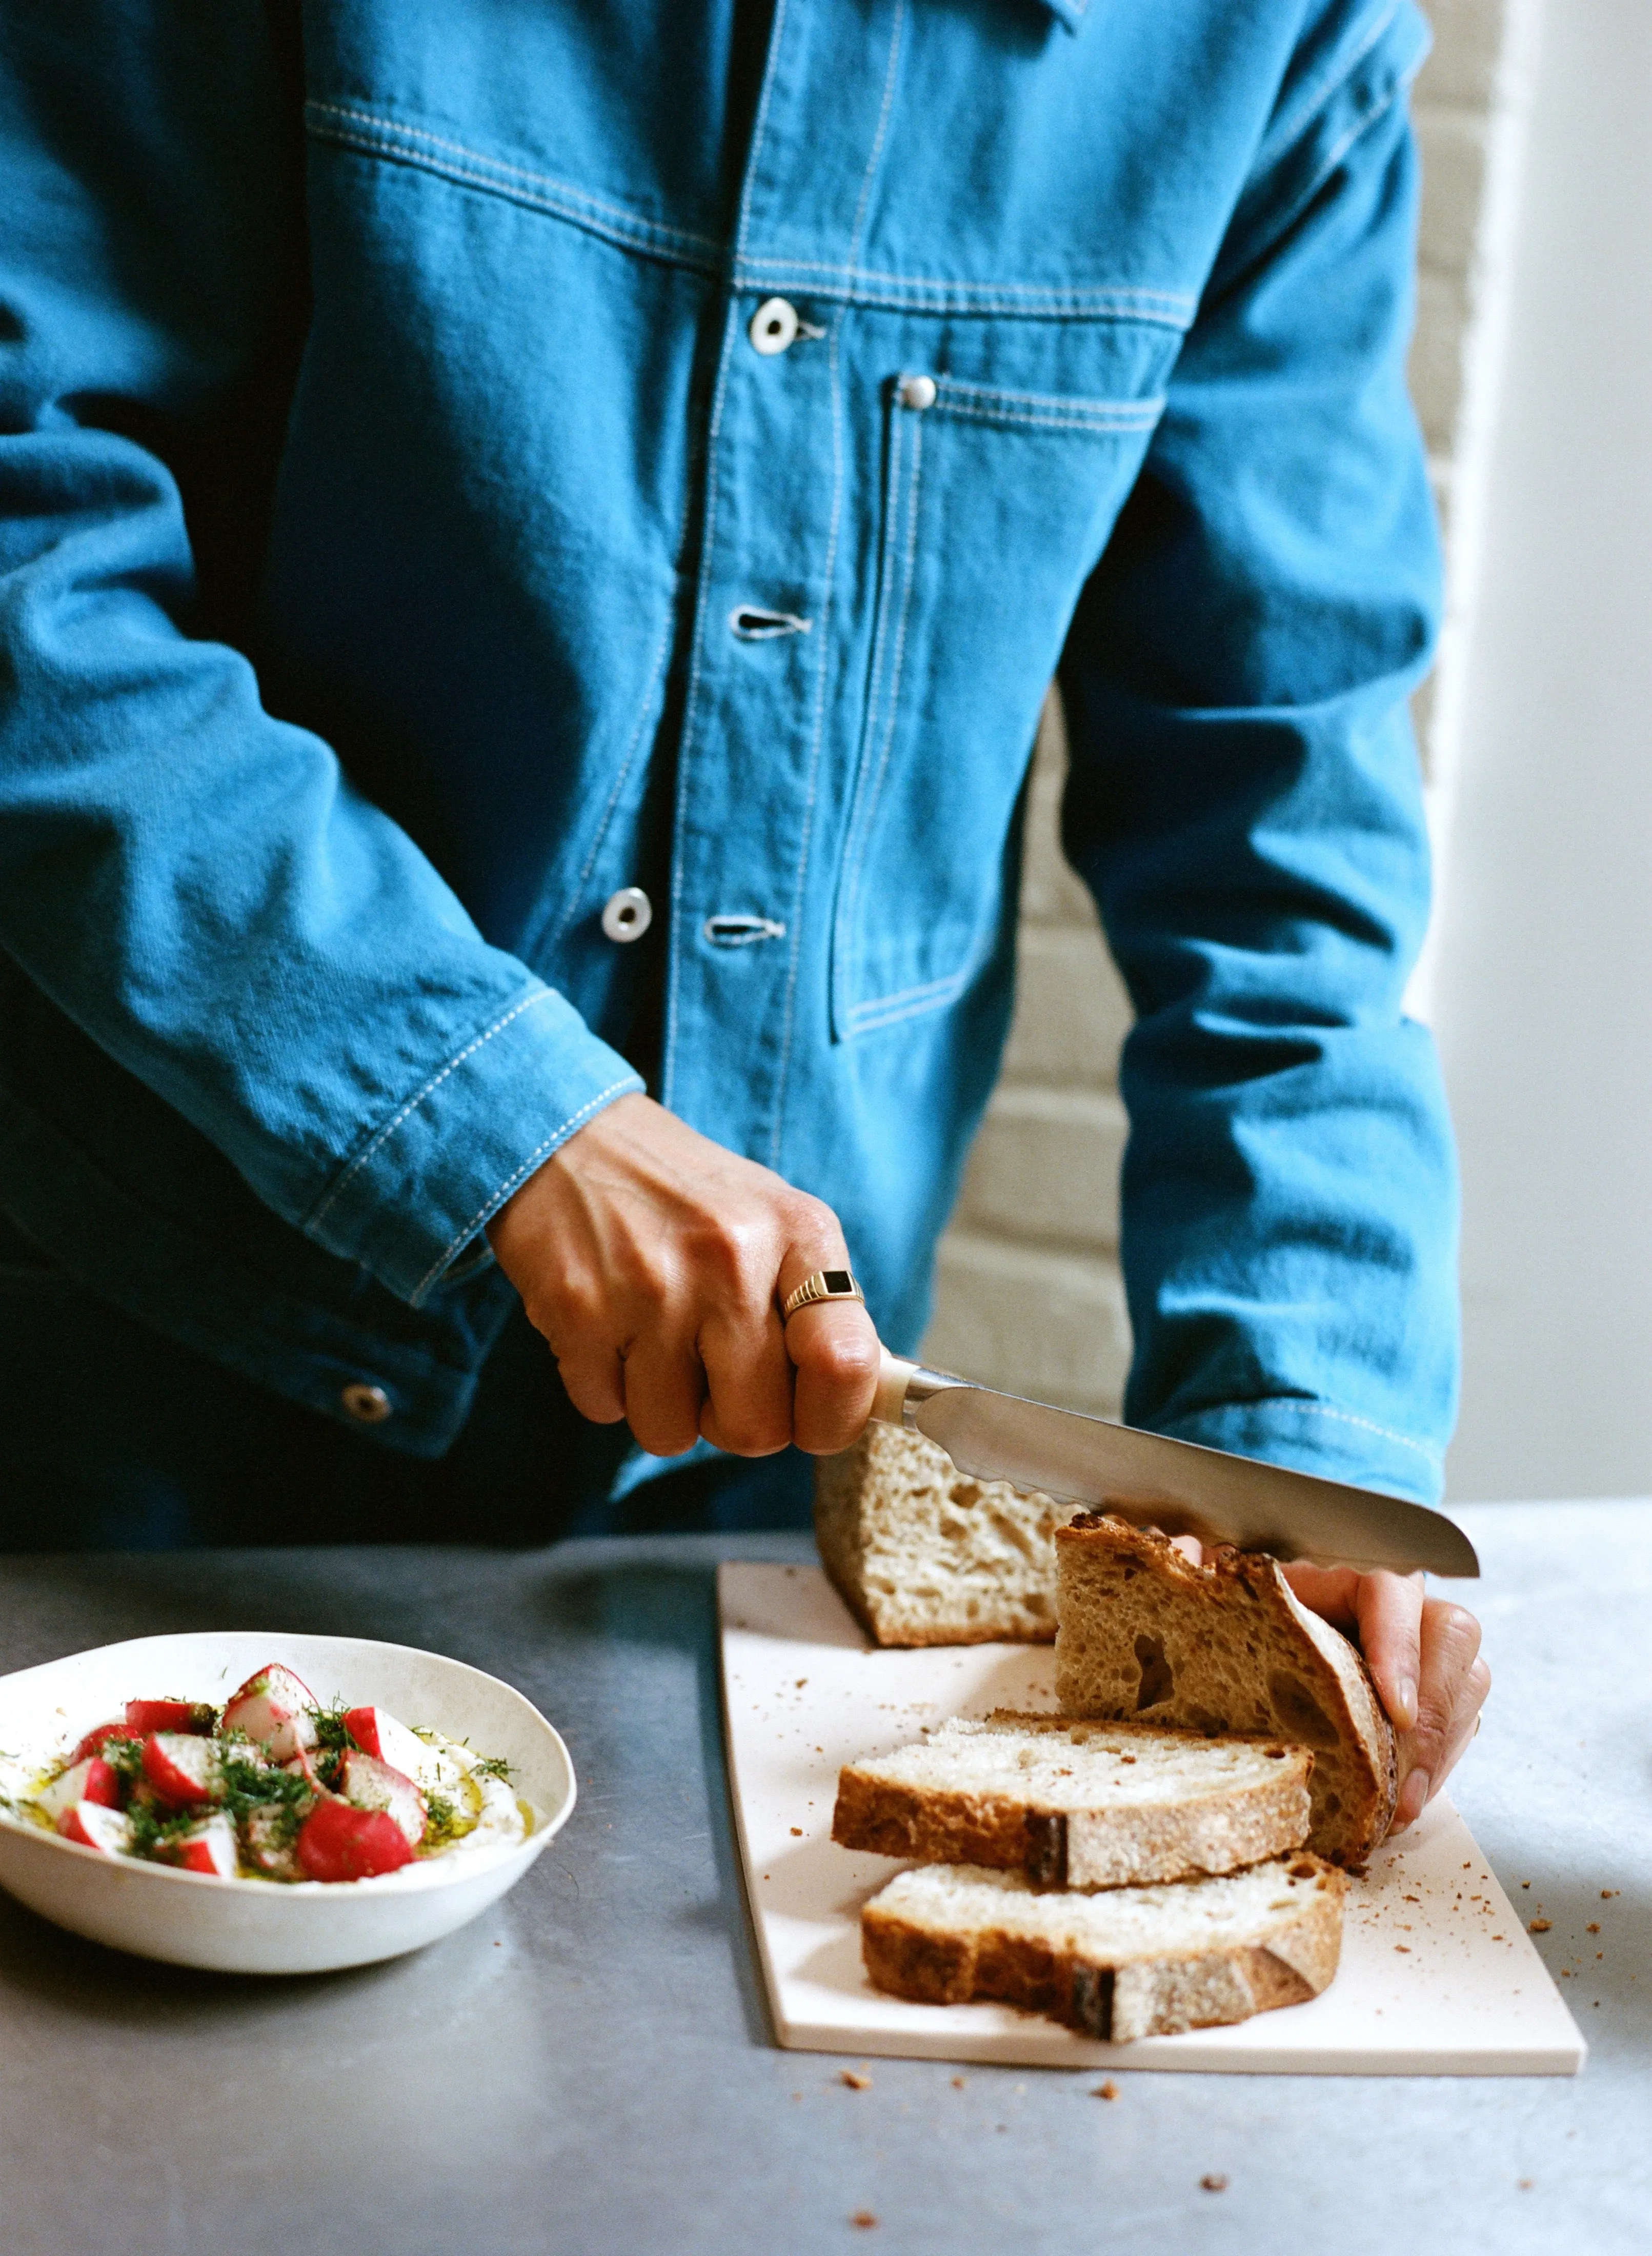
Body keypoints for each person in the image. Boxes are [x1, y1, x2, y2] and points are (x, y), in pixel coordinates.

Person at [0, 0, 1486, 1823]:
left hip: (751, 1491)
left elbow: (1280, 804)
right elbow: (32, 554)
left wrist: (1301, 1427)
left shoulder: (1271, 40)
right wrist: (488, 1114)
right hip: (123, 1387)